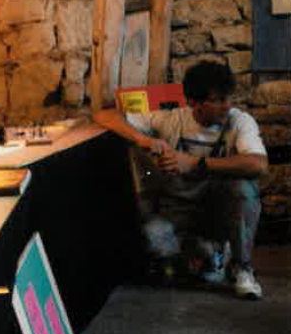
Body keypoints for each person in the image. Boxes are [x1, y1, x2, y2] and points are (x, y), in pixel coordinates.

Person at [93, 61, 269, 299]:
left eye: (228, 98)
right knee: (152, 241)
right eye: (217, 100)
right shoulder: (172, 120)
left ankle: (242, 267)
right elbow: (104, 115)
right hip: (179, 211)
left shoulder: (239, 121)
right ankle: (208, 253)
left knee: (243, 189)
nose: (226, 105)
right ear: (193, 103)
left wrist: (195, 163)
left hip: (218, 209)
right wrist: (143, 140)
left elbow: (258, 164)